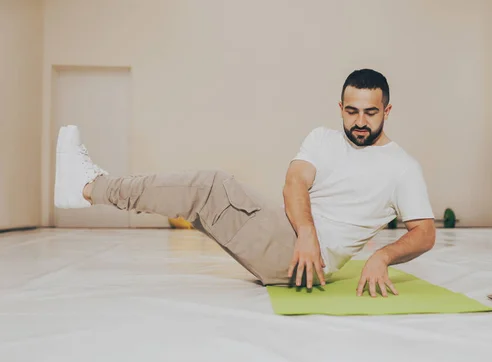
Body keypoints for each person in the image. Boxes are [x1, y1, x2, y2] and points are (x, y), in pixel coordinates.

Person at [54, 68, 436, 297]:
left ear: (387, 111)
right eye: (351, 111)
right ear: (340, 108)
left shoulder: (402, 167)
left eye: (371, 112)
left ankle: (91, 187)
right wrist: (306, 232)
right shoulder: (322, 138)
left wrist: (381, 256)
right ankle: (90, 188)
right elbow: (294, 183)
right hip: (292, 238)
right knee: (202, 195)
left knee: (209, 187)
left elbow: (424, 232)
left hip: (305, 262)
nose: (360, 121)